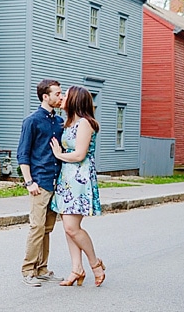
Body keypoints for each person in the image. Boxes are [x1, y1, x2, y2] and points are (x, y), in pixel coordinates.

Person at [50, 85, 106, 287]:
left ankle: (95, 264)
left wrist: (59, 155)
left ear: (76, 100)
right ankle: (77, 269)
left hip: (80, 178)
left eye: (66, 95)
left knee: (73, 227)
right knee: (68, 228)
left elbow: (80, 154)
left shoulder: (85, 123)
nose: (63, 97)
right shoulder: (69, 123)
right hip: (67, 177)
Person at [17, 79, 65, 286]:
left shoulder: (59, 122)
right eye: (57, 94)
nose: (60, 97)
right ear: (45, 96)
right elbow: (23, 154)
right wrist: (29, 182)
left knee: (47, 228)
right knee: (36, 226)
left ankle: (42, 268)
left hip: (56, 181)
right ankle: (28, 270)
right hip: (39, 182)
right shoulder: (32, 121)